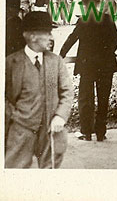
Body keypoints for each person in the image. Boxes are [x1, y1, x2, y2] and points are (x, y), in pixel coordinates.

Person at [5, 12, 74, 168]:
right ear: (32, 36)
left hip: (50, 129)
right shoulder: (11, 63)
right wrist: (14, 118)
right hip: (21, 130)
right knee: (15, 170)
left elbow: (67, 92)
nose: (52, 38)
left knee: (49, 171)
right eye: (48, 33)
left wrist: (60, 117)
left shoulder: (56, 62)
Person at [59, 0, 117, 141]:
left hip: (88, 65)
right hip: (106, 65)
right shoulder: (107, 19)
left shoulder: (83, 20)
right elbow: (116, 40)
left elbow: (71, 39)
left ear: (84, 4)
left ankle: (86, 132)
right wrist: (107, 53)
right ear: (97, 3)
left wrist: (60, 55)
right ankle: (101, 132)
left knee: (86, 99)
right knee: (103, 99)